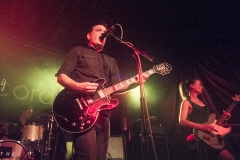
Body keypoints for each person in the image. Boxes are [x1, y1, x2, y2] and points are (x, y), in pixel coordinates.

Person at [55, 21, 148, 160]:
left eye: (105, 32)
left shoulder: (111, 61)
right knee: (87, 157)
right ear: (88, 35)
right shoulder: (78, 51)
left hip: (103, 115)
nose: (103, 33)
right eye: (98, 30)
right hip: (82, 112)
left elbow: (116, 86)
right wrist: (77, 86)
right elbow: (61, 77)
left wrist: (135, 82)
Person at [179, 77, 236, 160]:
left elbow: (211, 121)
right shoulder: (186, 102)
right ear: (192, 86)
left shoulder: (203, 102)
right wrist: (202, 127)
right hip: (204, 137)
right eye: (199, 85)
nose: (202, 87)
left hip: (215, 136)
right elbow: (182, 121)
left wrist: (224, 118)